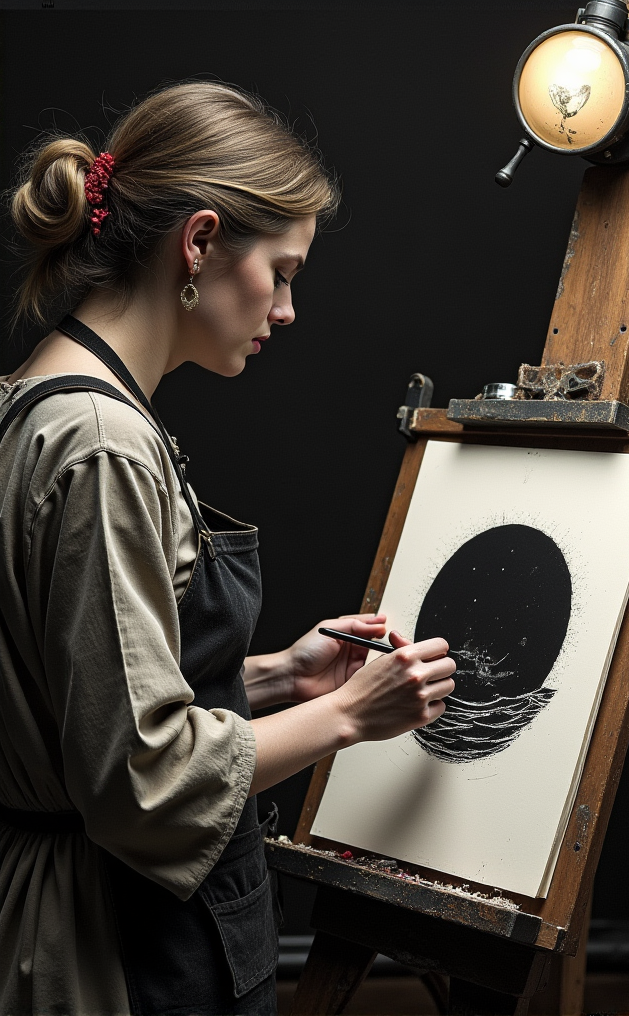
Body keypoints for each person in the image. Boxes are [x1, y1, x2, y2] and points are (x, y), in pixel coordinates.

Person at [0, 81, 456, 1016]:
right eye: (281, 272)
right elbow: (140, 777)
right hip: (112, 950)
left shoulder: (37, 397)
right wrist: (350, 718)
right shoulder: (101, 444)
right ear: (200, 242)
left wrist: (283, 676)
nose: (286, 309)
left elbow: (85, 709)